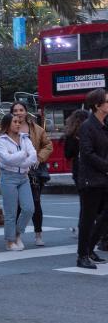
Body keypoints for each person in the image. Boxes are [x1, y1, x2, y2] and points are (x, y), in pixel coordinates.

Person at [12, 101, 53, 247]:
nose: (18, 112)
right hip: (15, 171)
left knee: (35, 203)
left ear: (26, 111)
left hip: (34, 172)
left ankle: (38, 234)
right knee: (17, 205)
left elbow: (48, 145)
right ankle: (17, 235)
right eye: (15, 110)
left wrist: (39, 158)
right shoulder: (7, 130)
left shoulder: (37, 129)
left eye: (21, 110)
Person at [68, 106, 104, 269]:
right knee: (88, 217)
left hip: (102, 177)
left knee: (102, 217)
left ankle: (89, 249)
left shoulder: (103, 125)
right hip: (89, 178)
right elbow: (88, 154)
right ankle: (83, 254)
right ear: (98, 105)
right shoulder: (87, 127)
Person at [0, 111, 37, 251]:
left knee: (29, 209)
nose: (18, 124)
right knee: (11, 212)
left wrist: (19, 158)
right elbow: (6, 159)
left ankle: (17, 233)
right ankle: (10, 241)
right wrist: (23, 155)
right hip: (8, 177)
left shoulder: (25, 138)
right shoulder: (1, 141)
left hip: (24, 177)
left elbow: (33, 156)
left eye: (19, 122)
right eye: (15, 122)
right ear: (7, 125)